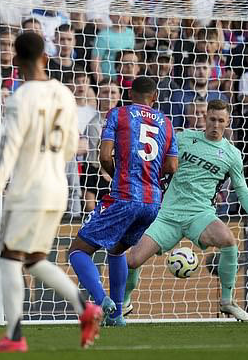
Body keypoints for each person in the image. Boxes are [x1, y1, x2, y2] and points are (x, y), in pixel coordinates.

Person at [0, 32, 100, 352]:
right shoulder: (64, 93)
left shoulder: (20, 97)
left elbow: (10, 147)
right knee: (33, 260)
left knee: (8, 257)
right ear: (45, 57)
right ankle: (84, 308)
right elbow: (73, 146)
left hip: (30, 188)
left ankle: (15, 336)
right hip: (57, 187)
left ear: (15, 62)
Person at [125, 99, 248, 322]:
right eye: (212, 119)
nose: (215, 125)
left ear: (228, 122)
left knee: (229, 241)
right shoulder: (184, 138)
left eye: (221, 121)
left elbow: (242, 190)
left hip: (200, 214)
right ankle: (123, 303)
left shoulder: (232, 154)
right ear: (205, 118)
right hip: (167, 214)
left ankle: (227, 302)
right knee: (132, 260)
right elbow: (156, 161)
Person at [68, 76, 178, 326]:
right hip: (152, 203)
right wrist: (149, 176)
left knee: (77, 251)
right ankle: (117, 316)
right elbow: (172, 166)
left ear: (130, 94)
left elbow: (104, 155)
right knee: (117, 250)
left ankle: (101, 300)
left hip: (125, 195)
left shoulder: (118, 114)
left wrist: (119, 173)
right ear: (156, 97)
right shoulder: (168, 124)